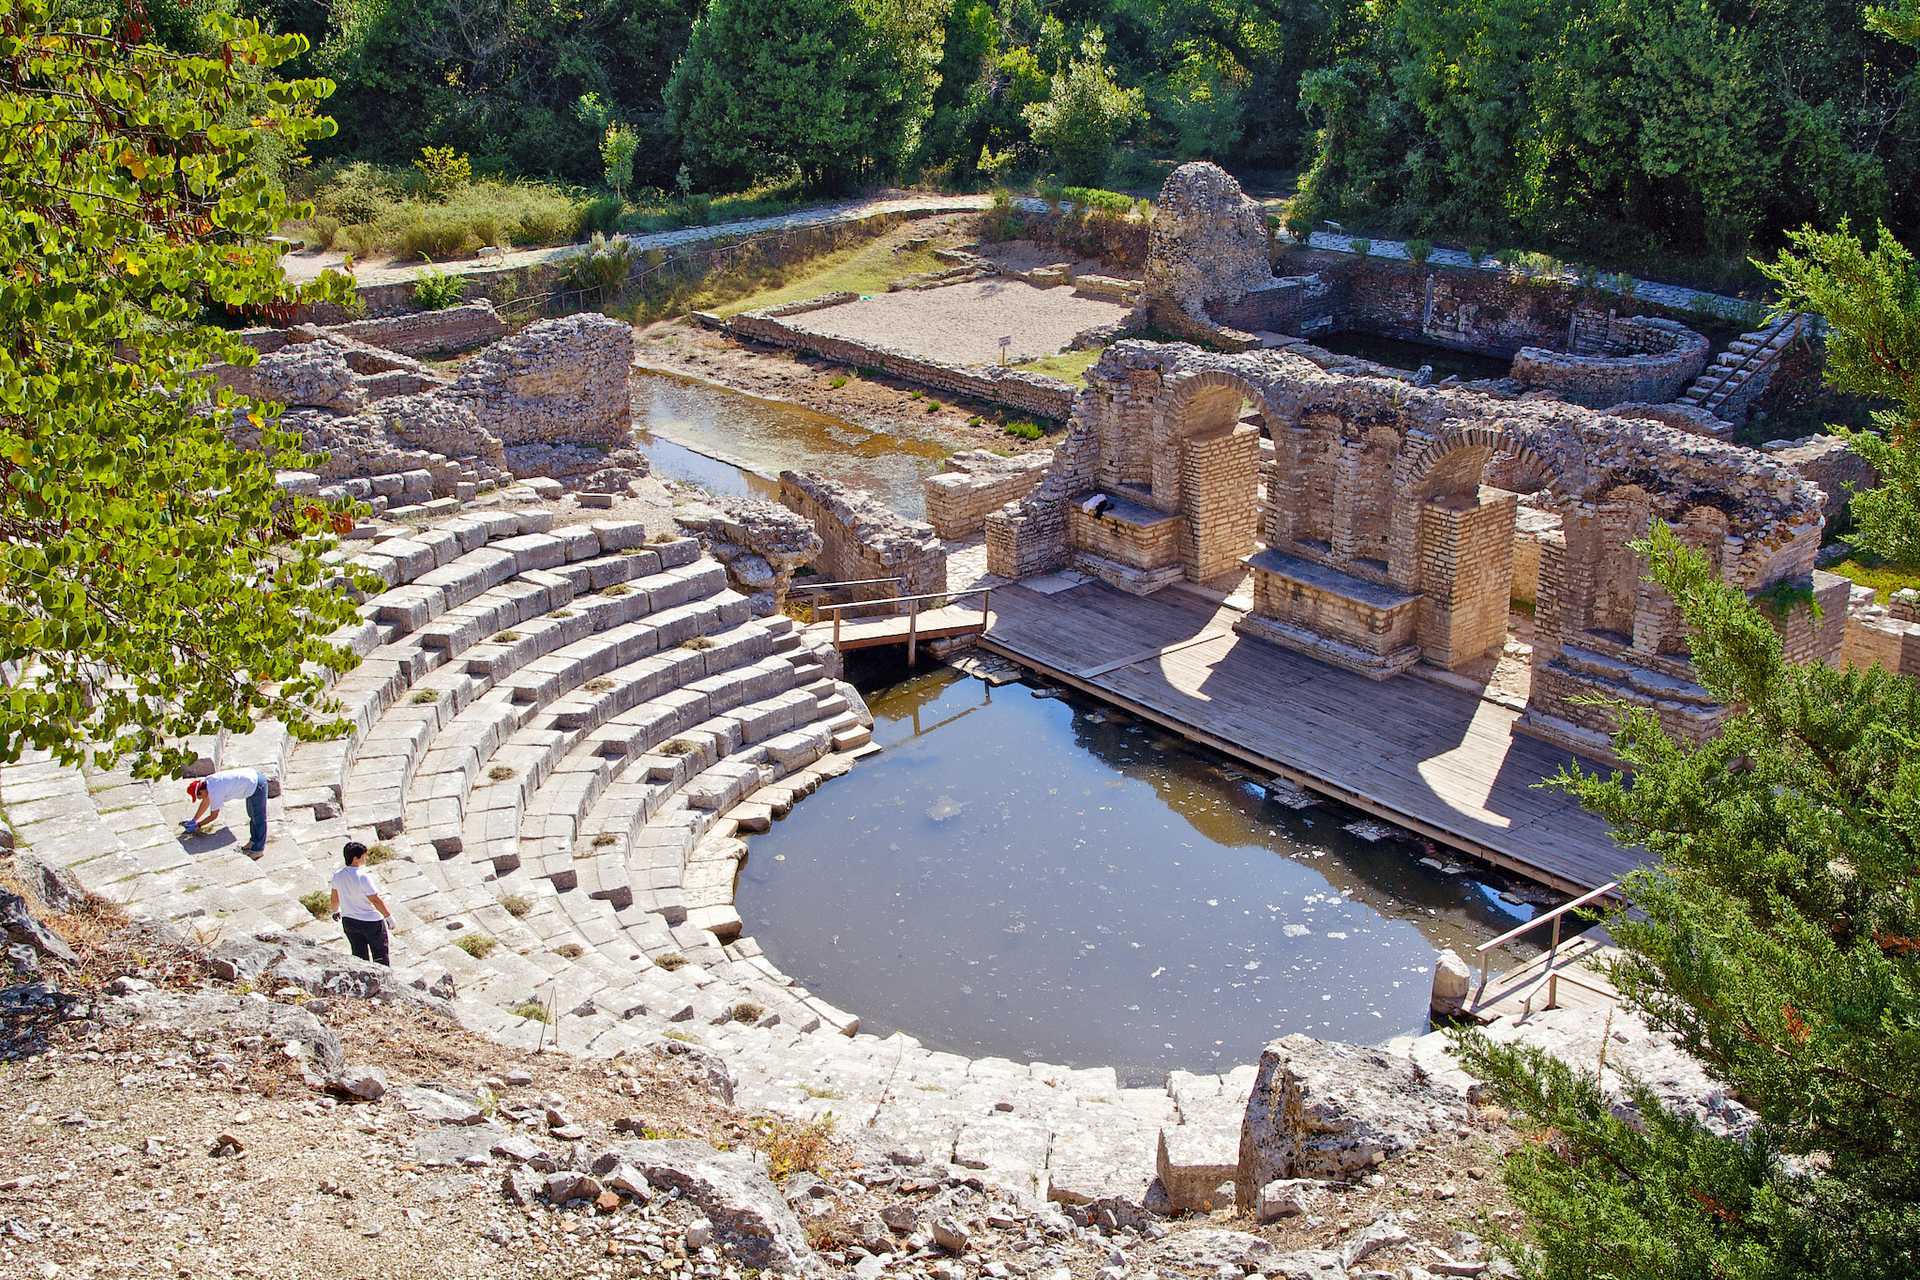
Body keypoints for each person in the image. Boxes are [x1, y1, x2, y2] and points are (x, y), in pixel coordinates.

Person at [329, 841, 394, 966]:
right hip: (371, 922)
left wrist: (335, 911)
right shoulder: (363, 876)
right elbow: (375, 899)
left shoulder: (338, 875)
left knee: (359, 956)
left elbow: (334, 897)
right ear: (355, 858)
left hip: (349, 921)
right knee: (380, 956)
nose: (366, 858)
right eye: (364, 855)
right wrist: (388, 917)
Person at [184, 767, 271, 854]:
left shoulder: (215, 792)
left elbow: (213, 816)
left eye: (199, 797)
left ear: (202, 791)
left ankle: (258, 850)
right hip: (252, 779)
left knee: (259, 819)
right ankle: (253, 842)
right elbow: (205, 802)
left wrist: (198, 825)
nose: (201, 799)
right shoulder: (208, 782)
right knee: (252, 815)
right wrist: (194, 820)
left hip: (256, 785)